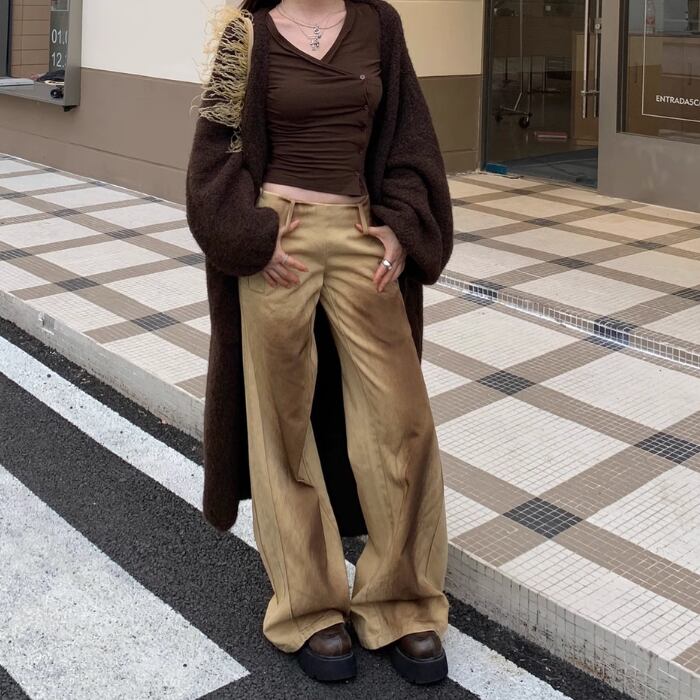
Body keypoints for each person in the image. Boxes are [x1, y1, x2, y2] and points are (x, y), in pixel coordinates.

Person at [186, 0, 454, 685]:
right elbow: (213, 156)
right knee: (281, 426)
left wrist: (402, 226)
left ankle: (401, 601)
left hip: (360, 236)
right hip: (279, 241)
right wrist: (251, 236)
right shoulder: (246, 34)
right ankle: (307, 607)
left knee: (403, 420)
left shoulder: (380, 25)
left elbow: (411, 142)